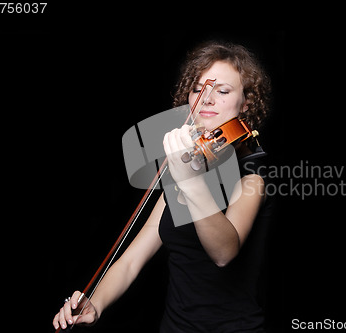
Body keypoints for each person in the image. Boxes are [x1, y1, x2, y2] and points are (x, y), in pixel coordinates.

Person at [53, 41, 274, 332]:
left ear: (245, 103)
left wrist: (189, 181)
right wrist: (97, 303)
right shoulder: (187, 163)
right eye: (198, 89)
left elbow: (224, 252)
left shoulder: (253, 173)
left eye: (222, 91)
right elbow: (133, 258)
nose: (206, 99)